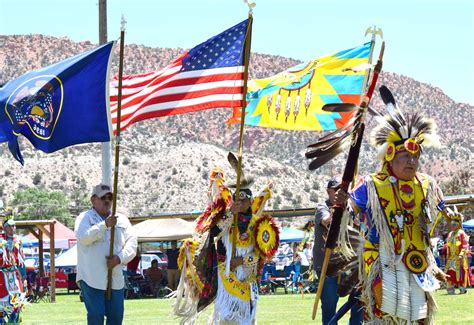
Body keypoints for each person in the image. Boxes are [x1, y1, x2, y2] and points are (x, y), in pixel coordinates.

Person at [337, 106, 448, 323]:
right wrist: (344, 204)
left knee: (419, 317)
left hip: (417, 263)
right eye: (406, 156)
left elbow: (442, 210)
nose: (412, 161)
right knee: (385, 314)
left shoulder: (426, 185)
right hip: (383, 261)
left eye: (415, 157)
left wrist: (452, 215)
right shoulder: (372, 185)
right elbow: (352, 208)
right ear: (390, 156)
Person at [173, 162, 279, 325]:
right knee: (226, 318)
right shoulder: (227, 219)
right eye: (238, 200)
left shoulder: (258, 224)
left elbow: (262, 255)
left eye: (244, 201)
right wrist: (230, 214)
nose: (241, 203)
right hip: (226, 277)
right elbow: (213, 233)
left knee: (247, 319)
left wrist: (242, 261)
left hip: (247, 279)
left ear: (250, 201)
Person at [75, 184, 137, 325]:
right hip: (91, 278)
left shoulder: (122, 220)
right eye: (103, 197)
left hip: (115, 278)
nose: (107, 201)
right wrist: (104, 225)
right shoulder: (84, 218)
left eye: (110, 197)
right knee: (96, 316)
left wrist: (119, 258)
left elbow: (132, 243)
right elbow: (83, 237)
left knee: (116, 317)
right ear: (93, 200)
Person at [313, 177, 362, 325]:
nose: (339, 192)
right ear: (328, 191)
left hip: (351, 267)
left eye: (343, 189)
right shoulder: (322, 208)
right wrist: (339, 209)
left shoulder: (353, 208)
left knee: (359, 305)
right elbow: (327, 221)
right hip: (328, 268)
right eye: (336, 190)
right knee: (329, 311)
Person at [0, 209, 25, 324]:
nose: (13, 228)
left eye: (14, 226)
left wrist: (24, 278)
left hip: (14, 278)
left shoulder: (18, 241)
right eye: (10, 226)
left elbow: (21, 262)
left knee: (15, 306)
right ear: (5, 228)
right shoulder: (0, 240)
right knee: (2, 306)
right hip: (1, 278)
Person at [444, 208, 471, 294]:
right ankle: (450, 289)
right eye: (452, 224)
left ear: (459, 225)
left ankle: (462, 288)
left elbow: (465, 245)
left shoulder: (461, 233)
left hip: (459, 258)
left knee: (460, 273)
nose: (452, 226)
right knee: (450, 273)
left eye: (455, 224)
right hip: (451, 258)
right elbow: (447, 246)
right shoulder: (450, 234)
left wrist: (461, 255)